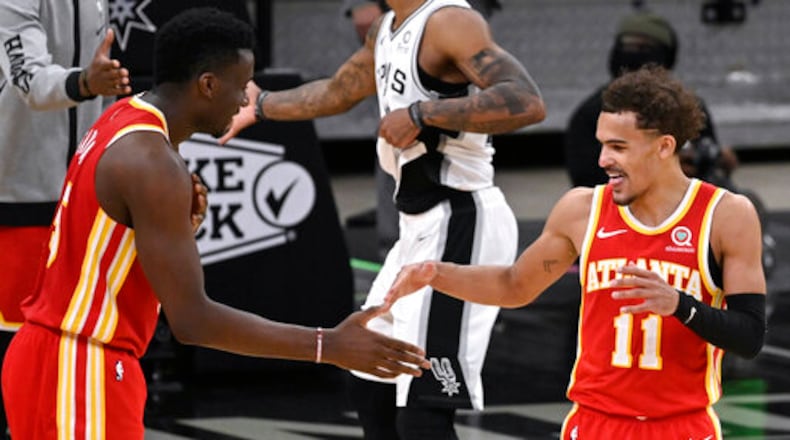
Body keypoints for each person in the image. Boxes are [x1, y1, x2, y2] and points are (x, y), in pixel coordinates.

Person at [0, 8, 430, 438]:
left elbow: (106, 245)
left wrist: (177, 228)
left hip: (60, 358)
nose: (246, 100)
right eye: (241, 86)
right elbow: (192, 321)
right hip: (80, 367)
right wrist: (327, 345)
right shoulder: (153, 162)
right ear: (207, 85)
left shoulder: (124, 118)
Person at [385, 66, 767, 440]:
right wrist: (436, 273)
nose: (602, 160)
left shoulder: (726, 215)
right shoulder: (582, 210)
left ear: (664, 147)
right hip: (595, 424)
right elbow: (514, 285)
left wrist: (680, 305)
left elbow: (749, 337)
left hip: (682, 426)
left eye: (618, 147)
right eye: (602, 144)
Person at [220, 1, 545, 438]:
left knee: (423, 406)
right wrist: (263, 106)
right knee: (369, 375)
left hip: (461, 222)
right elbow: (339, 90)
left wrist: (422, 114)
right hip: (419, 227)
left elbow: (526, 100)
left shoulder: (449, 21)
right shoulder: (386, 27)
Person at [0, 0, 132, 434]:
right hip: (18, 199)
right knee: (15, 345)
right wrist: (84, 82)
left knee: (63, 343)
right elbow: (30, 80)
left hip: (79, 197)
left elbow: (100, 82)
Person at [564, 11, 738, 188]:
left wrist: (716, 163)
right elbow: (588, 182)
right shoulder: (591, 114)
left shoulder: (688, 108)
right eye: (628, 46)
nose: (633, 54)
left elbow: (709, 163)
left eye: (644, 47)